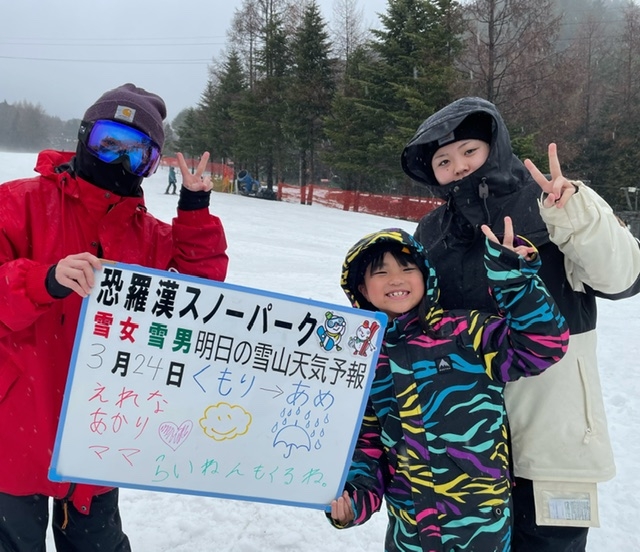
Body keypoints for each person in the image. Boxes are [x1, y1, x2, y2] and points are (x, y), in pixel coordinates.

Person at [400, 96, 640, 551]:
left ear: (495, 145)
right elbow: (414, 323)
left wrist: (575, 215)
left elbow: (623, 279)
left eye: (469, 150)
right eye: (444, 161)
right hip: (463, 444)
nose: (460, 166)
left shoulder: (554, 203)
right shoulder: (433, 231)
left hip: (551, 442)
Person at [0, 83, 229, 552]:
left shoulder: (147, 235)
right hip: (14, 421)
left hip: (99, 427)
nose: (118, 163)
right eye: (109, 143)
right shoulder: (17, 203)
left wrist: (194, 208)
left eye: (137, 154)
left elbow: (200, 291)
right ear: (85, 138)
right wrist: (43, 280)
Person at [329, 224, 569, 551]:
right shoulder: (366, 360)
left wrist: (515, 282)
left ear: (426, 276)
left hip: (483, 526)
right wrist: (353, 501)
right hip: (410, 533)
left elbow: (544, 345)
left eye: (406, 268)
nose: (396, 279)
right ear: (362, 288)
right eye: (380, 273)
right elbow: (368, 446)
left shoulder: (465, 332)